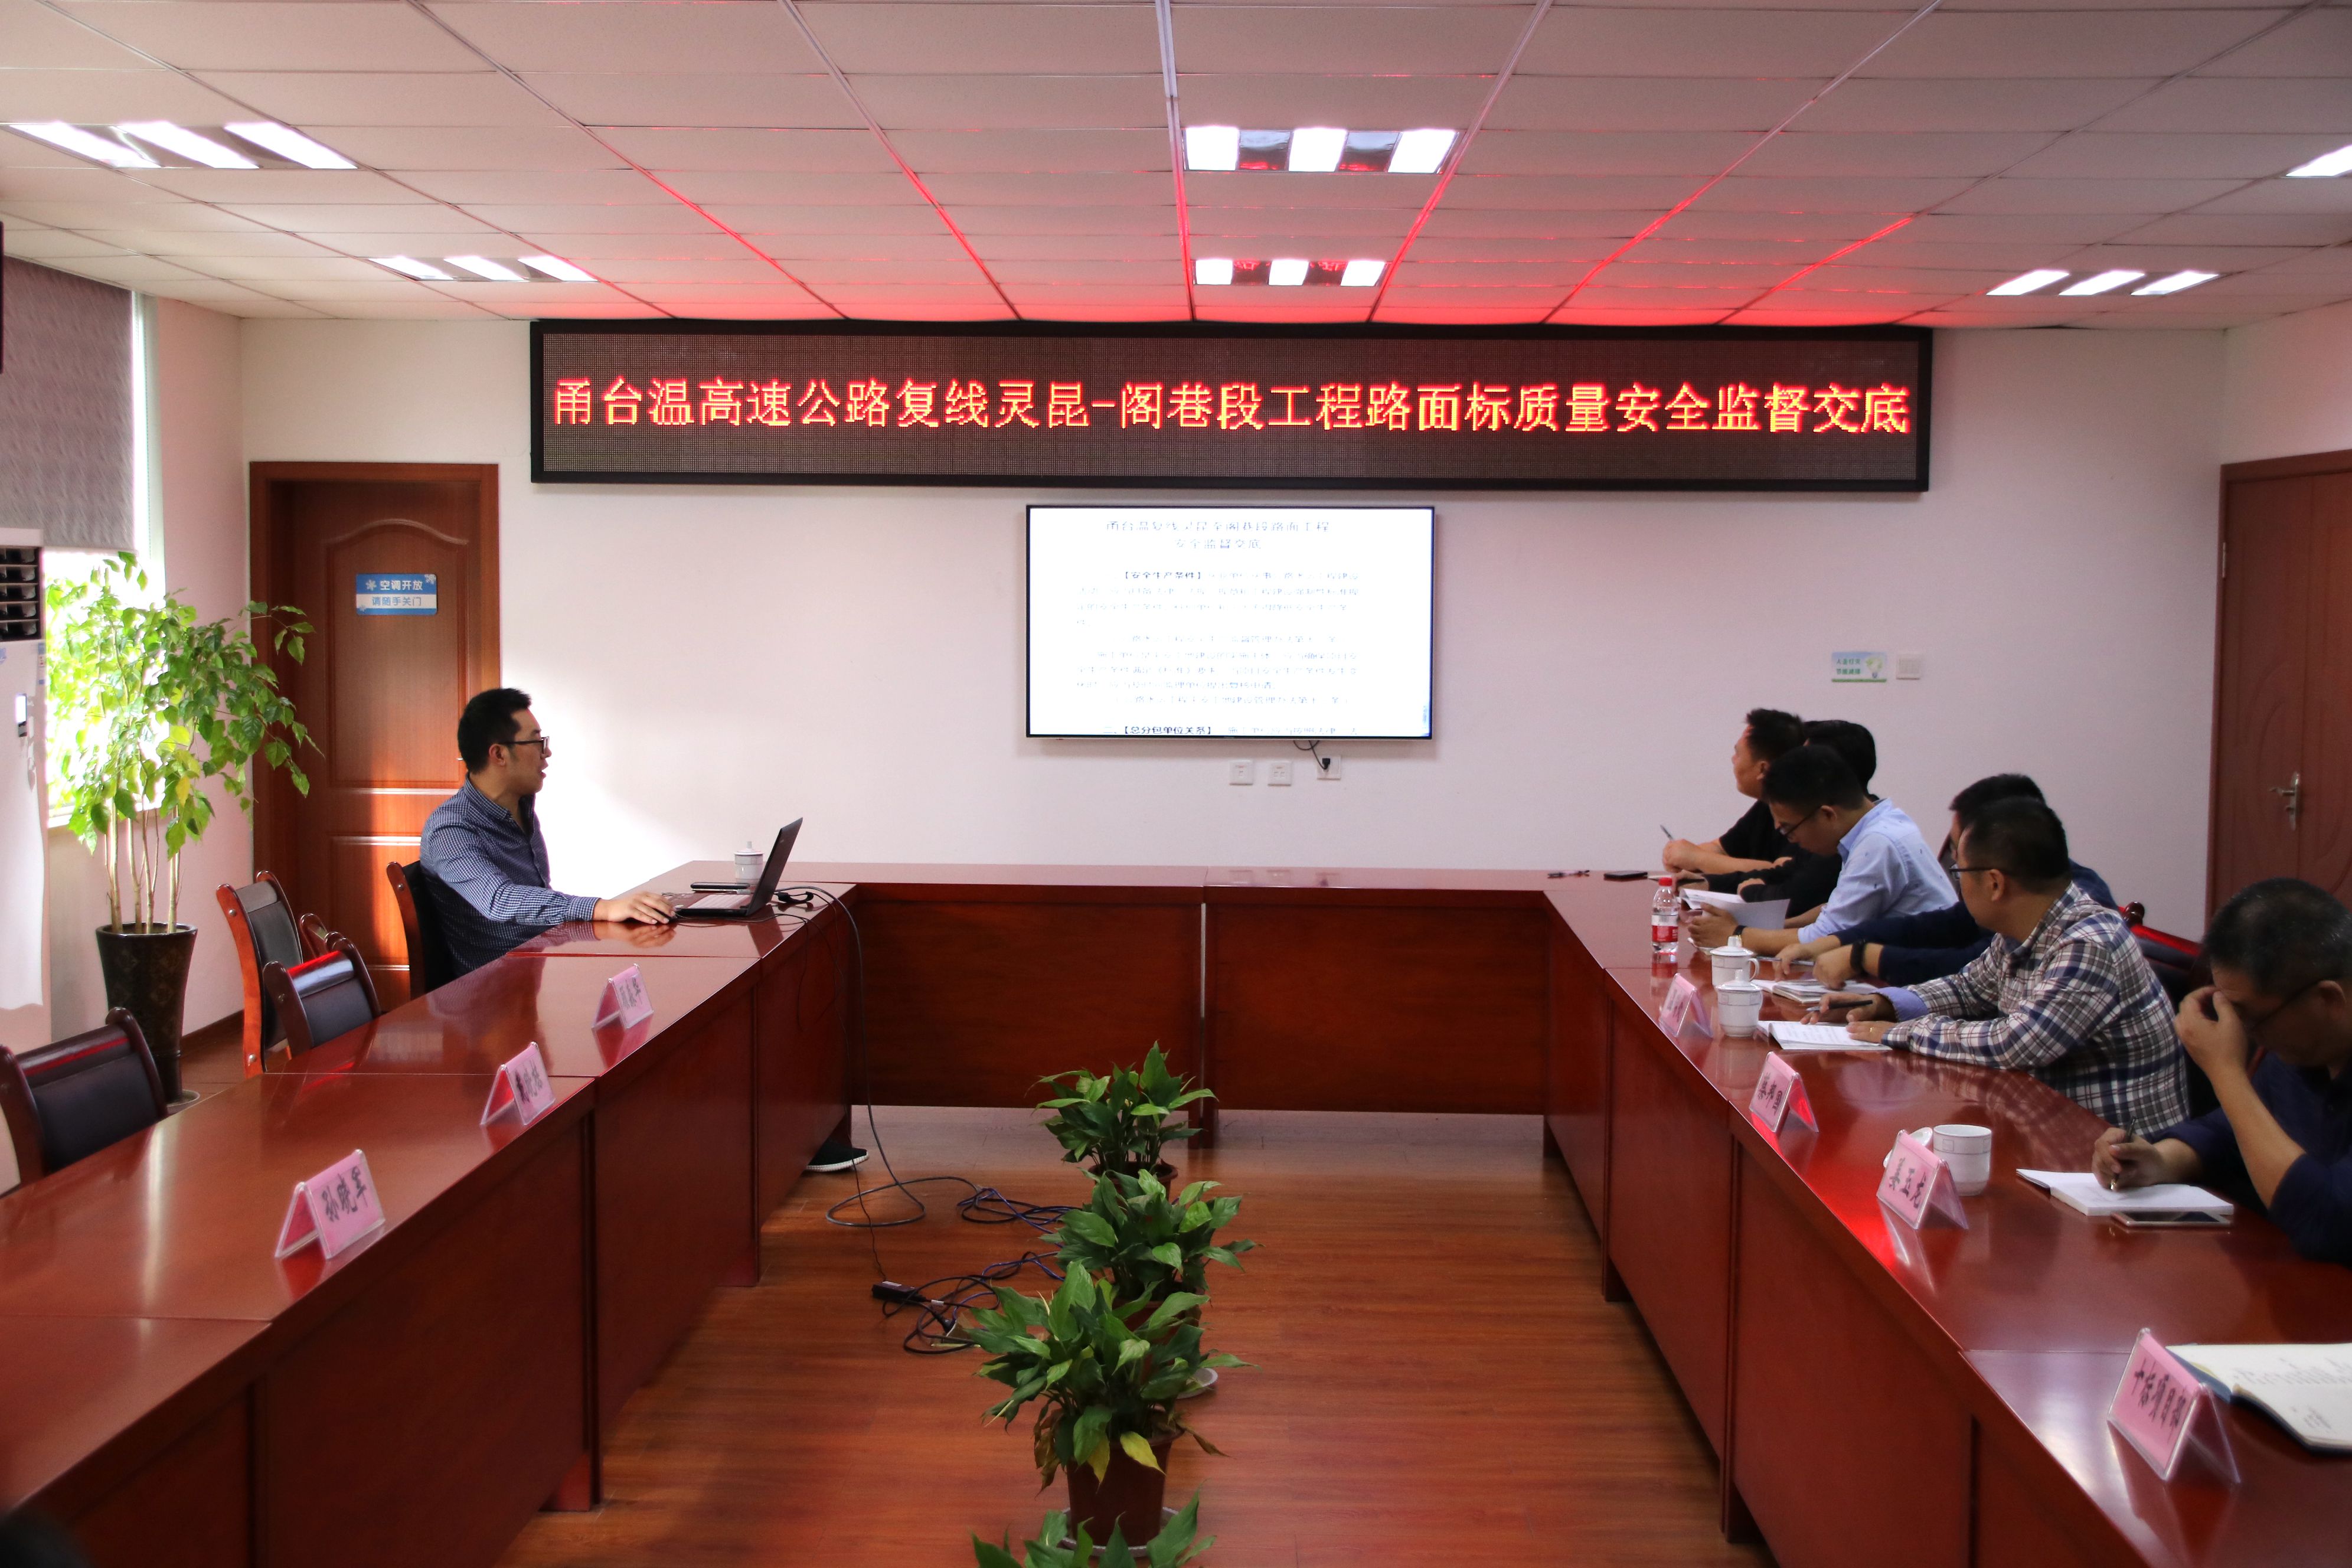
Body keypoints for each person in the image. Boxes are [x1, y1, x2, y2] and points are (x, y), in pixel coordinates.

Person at [1825, 798, 2187, 1130]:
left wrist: (1901, 1032)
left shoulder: (2089, 944)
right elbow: (1969, 988)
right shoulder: (2026, 927)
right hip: (2047, 1125)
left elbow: (2016, 1042)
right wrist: (1886, 1004)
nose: (1958, 885)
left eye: (1959, 872)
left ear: (1995, 883)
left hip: (2119, 1154)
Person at [2093, 878, 2351, 1266]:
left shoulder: (2301, 1043)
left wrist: (2226, 1073)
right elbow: (2233, 1134)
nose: (2240, 1031)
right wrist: (2159, 1160)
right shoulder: (2304, 1047)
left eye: (2249, 1017)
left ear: (2328, 1000)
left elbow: (2328, 1225)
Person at [422, 688, 674, 977]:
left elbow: (539, 899)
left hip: (537, 964)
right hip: (491, 988)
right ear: (499, 754)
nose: (547, 752)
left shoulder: (521, 806)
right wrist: (601, 908)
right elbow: (499, 900)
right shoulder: (451, 828)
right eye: (536, 741)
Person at [1785, 774, 2118, 988]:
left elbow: (1964, 969)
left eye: (1959, 854)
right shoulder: (2020, 903)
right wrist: (1837, 943)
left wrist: (1863, 957)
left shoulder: (2078, 929)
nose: (1954, 864)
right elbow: (1941, 939)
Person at [1686, 743, 1951, 956]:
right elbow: (1836, 910)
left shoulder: (1878, 844)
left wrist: (1735, 935)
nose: (1792, 841)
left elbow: (1827, 937)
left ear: (1827, 815)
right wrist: (1766, 929)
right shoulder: (1880, 822)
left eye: (1789, 830)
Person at [1662, 707, 1805, 878]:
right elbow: (1721, 849)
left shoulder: (1804, 809)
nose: (1733, 759)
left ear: (1763, 769)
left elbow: (1782, 872)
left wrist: (1697, 858)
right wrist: (1680, 855)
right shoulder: (1765, 806)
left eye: (1738, 753)